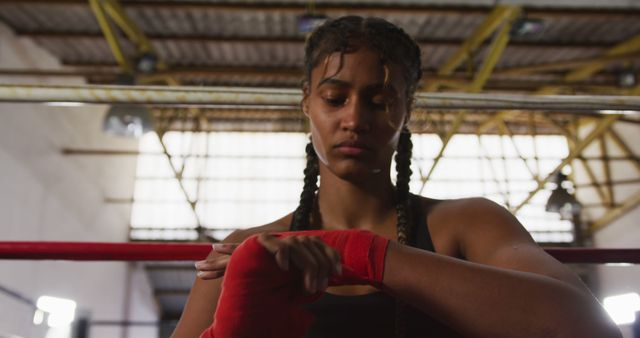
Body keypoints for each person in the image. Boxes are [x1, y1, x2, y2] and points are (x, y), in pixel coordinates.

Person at [172, 16, 620, 338]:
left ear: (408, 110)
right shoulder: (246, 252)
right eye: (334, 97)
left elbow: (587, 327)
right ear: (307, 102)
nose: (355, 118)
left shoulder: (466, 225)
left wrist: (357, 253)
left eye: (380, 100)